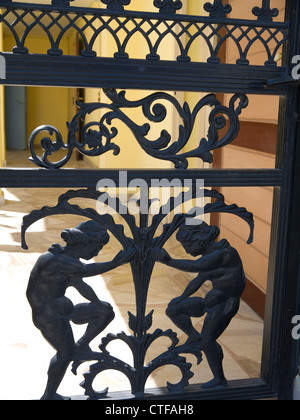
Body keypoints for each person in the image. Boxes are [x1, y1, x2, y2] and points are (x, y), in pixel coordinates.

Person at [26, 220, 135, 400]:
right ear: (85, 243)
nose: (97, 252)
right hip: (49, 317)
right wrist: (117, 261)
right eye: (98, 246)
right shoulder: (53, 259)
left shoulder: (69, 260)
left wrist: (96, 303)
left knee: (105, 310)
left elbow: (80, 284)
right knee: (64, 354)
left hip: (63, 311)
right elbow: (85, 270)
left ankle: (82, 343)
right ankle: (49, 395)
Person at [152, 221, 246, 389]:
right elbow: (197, 281)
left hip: (225, 304)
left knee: (208, 341)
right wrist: (181, 298)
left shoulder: (226, 254)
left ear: (200, 239)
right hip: (212, 300)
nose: (187, 250)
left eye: (188, 245)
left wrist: (168, 260)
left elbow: (196, 266)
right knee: (174, 309)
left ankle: (219, 379)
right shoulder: (209, 257)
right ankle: (194, 336)